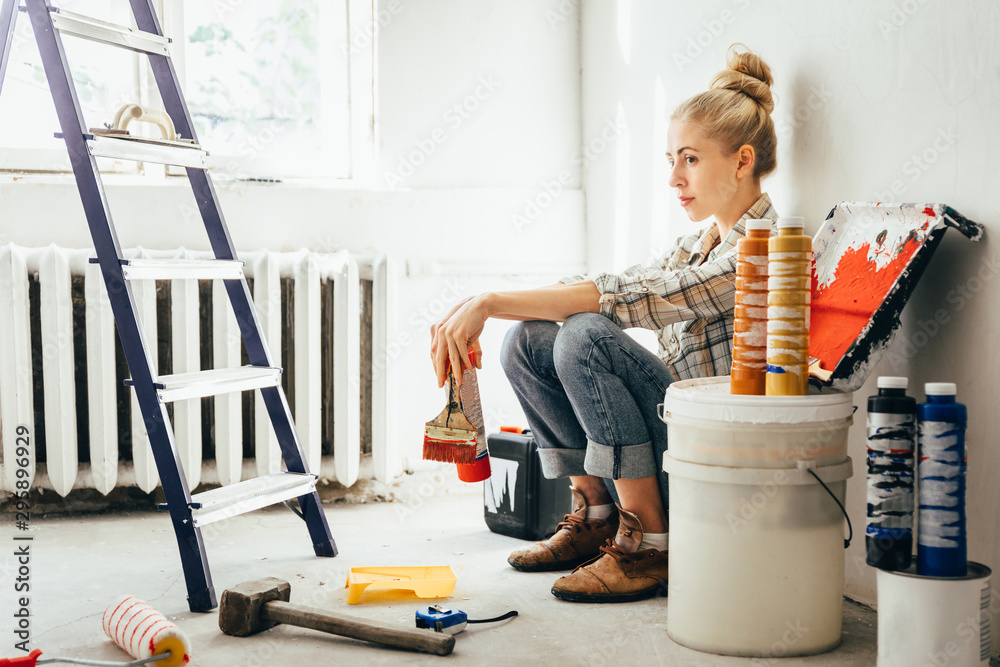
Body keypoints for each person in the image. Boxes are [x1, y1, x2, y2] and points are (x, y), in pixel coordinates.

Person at [429, 44, 779, 603]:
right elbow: (610, 284)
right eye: (671, 160)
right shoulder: (695, 247)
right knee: (529, 340)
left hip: (714, 463)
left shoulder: (762, 252)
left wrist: (490, 301)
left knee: (585, 335)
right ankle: (596, 516)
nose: (674, 179)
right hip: (675, 445)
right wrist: (490, 307)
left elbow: (623, 302)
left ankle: (649, 546)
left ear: (741, 161)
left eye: (689, 159)